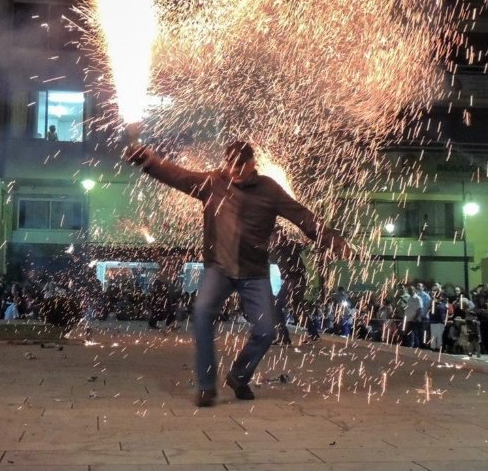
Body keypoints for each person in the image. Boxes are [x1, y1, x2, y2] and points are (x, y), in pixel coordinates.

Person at [125, 140, 351, 407]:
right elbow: (178, 175)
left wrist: (334, 241)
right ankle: (207, 386)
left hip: (254, 273)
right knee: (202, 315)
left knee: (266, 332)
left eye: (241, 167)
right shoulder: (212, 183)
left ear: (252, 164)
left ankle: (239, 376)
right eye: (230, 166)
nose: (235, 172)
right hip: (219, 268)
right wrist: (148, 162)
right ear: (226, 163)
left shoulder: (269, 189)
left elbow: (302, 216)